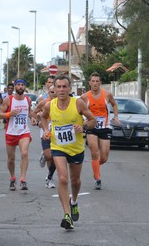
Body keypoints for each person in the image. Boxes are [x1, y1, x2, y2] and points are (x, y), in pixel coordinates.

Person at [40, 75, 96, 230]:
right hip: (58, 147)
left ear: (70, 88)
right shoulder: (50, 105)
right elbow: (43, 118)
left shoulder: (78, 103)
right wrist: (45, 129)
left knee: (75, 180)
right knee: (63, 179)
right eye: (58, 87)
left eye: (64, 87)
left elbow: (93, 120)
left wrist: (84, 126)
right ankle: (66, 215)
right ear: (54, 89)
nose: (61, 90)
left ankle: (74, 201)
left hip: (76, 148)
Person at [79, 72, 119, 190]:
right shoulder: (84, 97)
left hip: (105, 127)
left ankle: (95, 166)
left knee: (104, 157)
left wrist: (116, 116)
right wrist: (83, 122)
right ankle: (97, 178)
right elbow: (78, 111)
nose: (95, 83)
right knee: (94, 151)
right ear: (89, 83)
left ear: (100, 83)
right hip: (91, 127)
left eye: (97, 81)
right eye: (93, 81)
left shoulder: (107, 95)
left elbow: (115, 105)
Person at [0, 78, 33, 191]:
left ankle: (23, 180)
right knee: (11, 159)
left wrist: (34, 118)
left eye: (22, 85)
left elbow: (29, 112)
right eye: (18, 85)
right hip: (11, 132)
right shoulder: (8, 100)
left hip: (24, 131)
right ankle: (12, 178)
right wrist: (9, 114)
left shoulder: (28, 100)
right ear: (15, 87)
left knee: (24, 153)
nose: (20, 87)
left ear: (25, 87)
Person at [32, 75, 57, 188]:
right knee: (49, 156)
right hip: (45, 131)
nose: (54, 94)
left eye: (55, 92)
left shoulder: (62, 103)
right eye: (52, 92)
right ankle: (45, 155)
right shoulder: (43, 101)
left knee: (55, 157)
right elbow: (34, 112)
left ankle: (50, 177)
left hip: (57, 133)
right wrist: (37, 121)